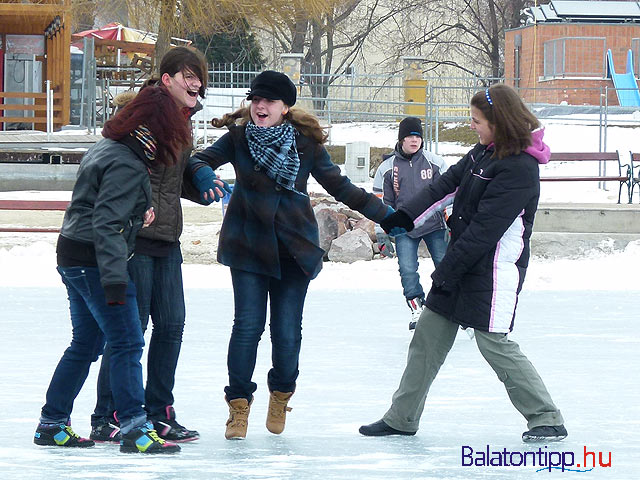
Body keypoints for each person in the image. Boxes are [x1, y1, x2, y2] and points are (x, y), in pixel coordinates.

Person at [189, 70, 393, 440]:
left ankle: (281, 395)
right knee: (247, 328)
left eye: (269, 101)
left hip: (292, 249)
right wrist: (203, 175)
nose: (260, 106)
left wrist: (387, 216)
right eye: (256, 99)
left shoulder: (306, 145)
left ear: (285, 107)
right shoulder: (237, 138)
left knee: (286, 333)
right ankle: (238, 405)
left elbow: (341, 186)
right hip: (248, 246)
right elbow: (198, 160)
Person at [359, 84, 568, 443]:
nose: (472, 126)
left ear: (498, 122)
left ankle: (546, 417)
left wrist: (444, 272)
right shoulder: (483, 154)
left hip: (493, 270)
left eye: (477, 120)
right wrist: (403, 216)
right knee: (426, 338)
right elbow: (444, 185)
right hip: (462, 264)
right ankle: (402, 417)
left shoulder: (519, 168)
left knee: (494, 344)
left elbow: (484, 233)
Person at [34, 85, 190, 454]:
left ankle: (52, 423)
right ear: (156, 128)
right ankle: (135, 428)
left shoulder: (108, 147)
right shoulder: (126, 161)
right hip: (95, 262)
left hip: (74, 254)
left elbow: (97, 208)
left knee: (86, 342)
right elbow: (105, 224)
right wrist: (116, 280)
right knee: (127, 341)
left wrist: (137, 215)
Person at [90, 46, 229, 444]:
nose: (196, 83)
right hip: (136, 238)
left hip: (168, 237)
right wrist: (141, 208)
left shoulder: (181, 121)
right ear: (166, 79)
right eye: (188, 75)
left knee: (171, 325)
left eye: (199, 76)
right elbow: (126, 173)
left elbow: (174, 174)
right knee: (131, 330)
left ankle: (159, 411)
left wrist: (198, 184)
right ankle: (107, 414)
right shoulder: (143, 120)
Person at [373, 117, 449, 330]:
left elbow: (450, 192)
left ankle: (451, 304)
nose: (415, 140)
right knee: (407, 269)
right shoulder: (387, 168)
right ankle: (417, 306)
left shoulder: (435, 162)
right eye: (410, 136)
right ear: (401, 139)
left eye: (418, 136)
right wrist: (381, 232)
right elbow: (381, 202)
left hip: (434, 224)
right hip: (404, 226)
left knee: (445, 266)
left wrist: (452, 218)